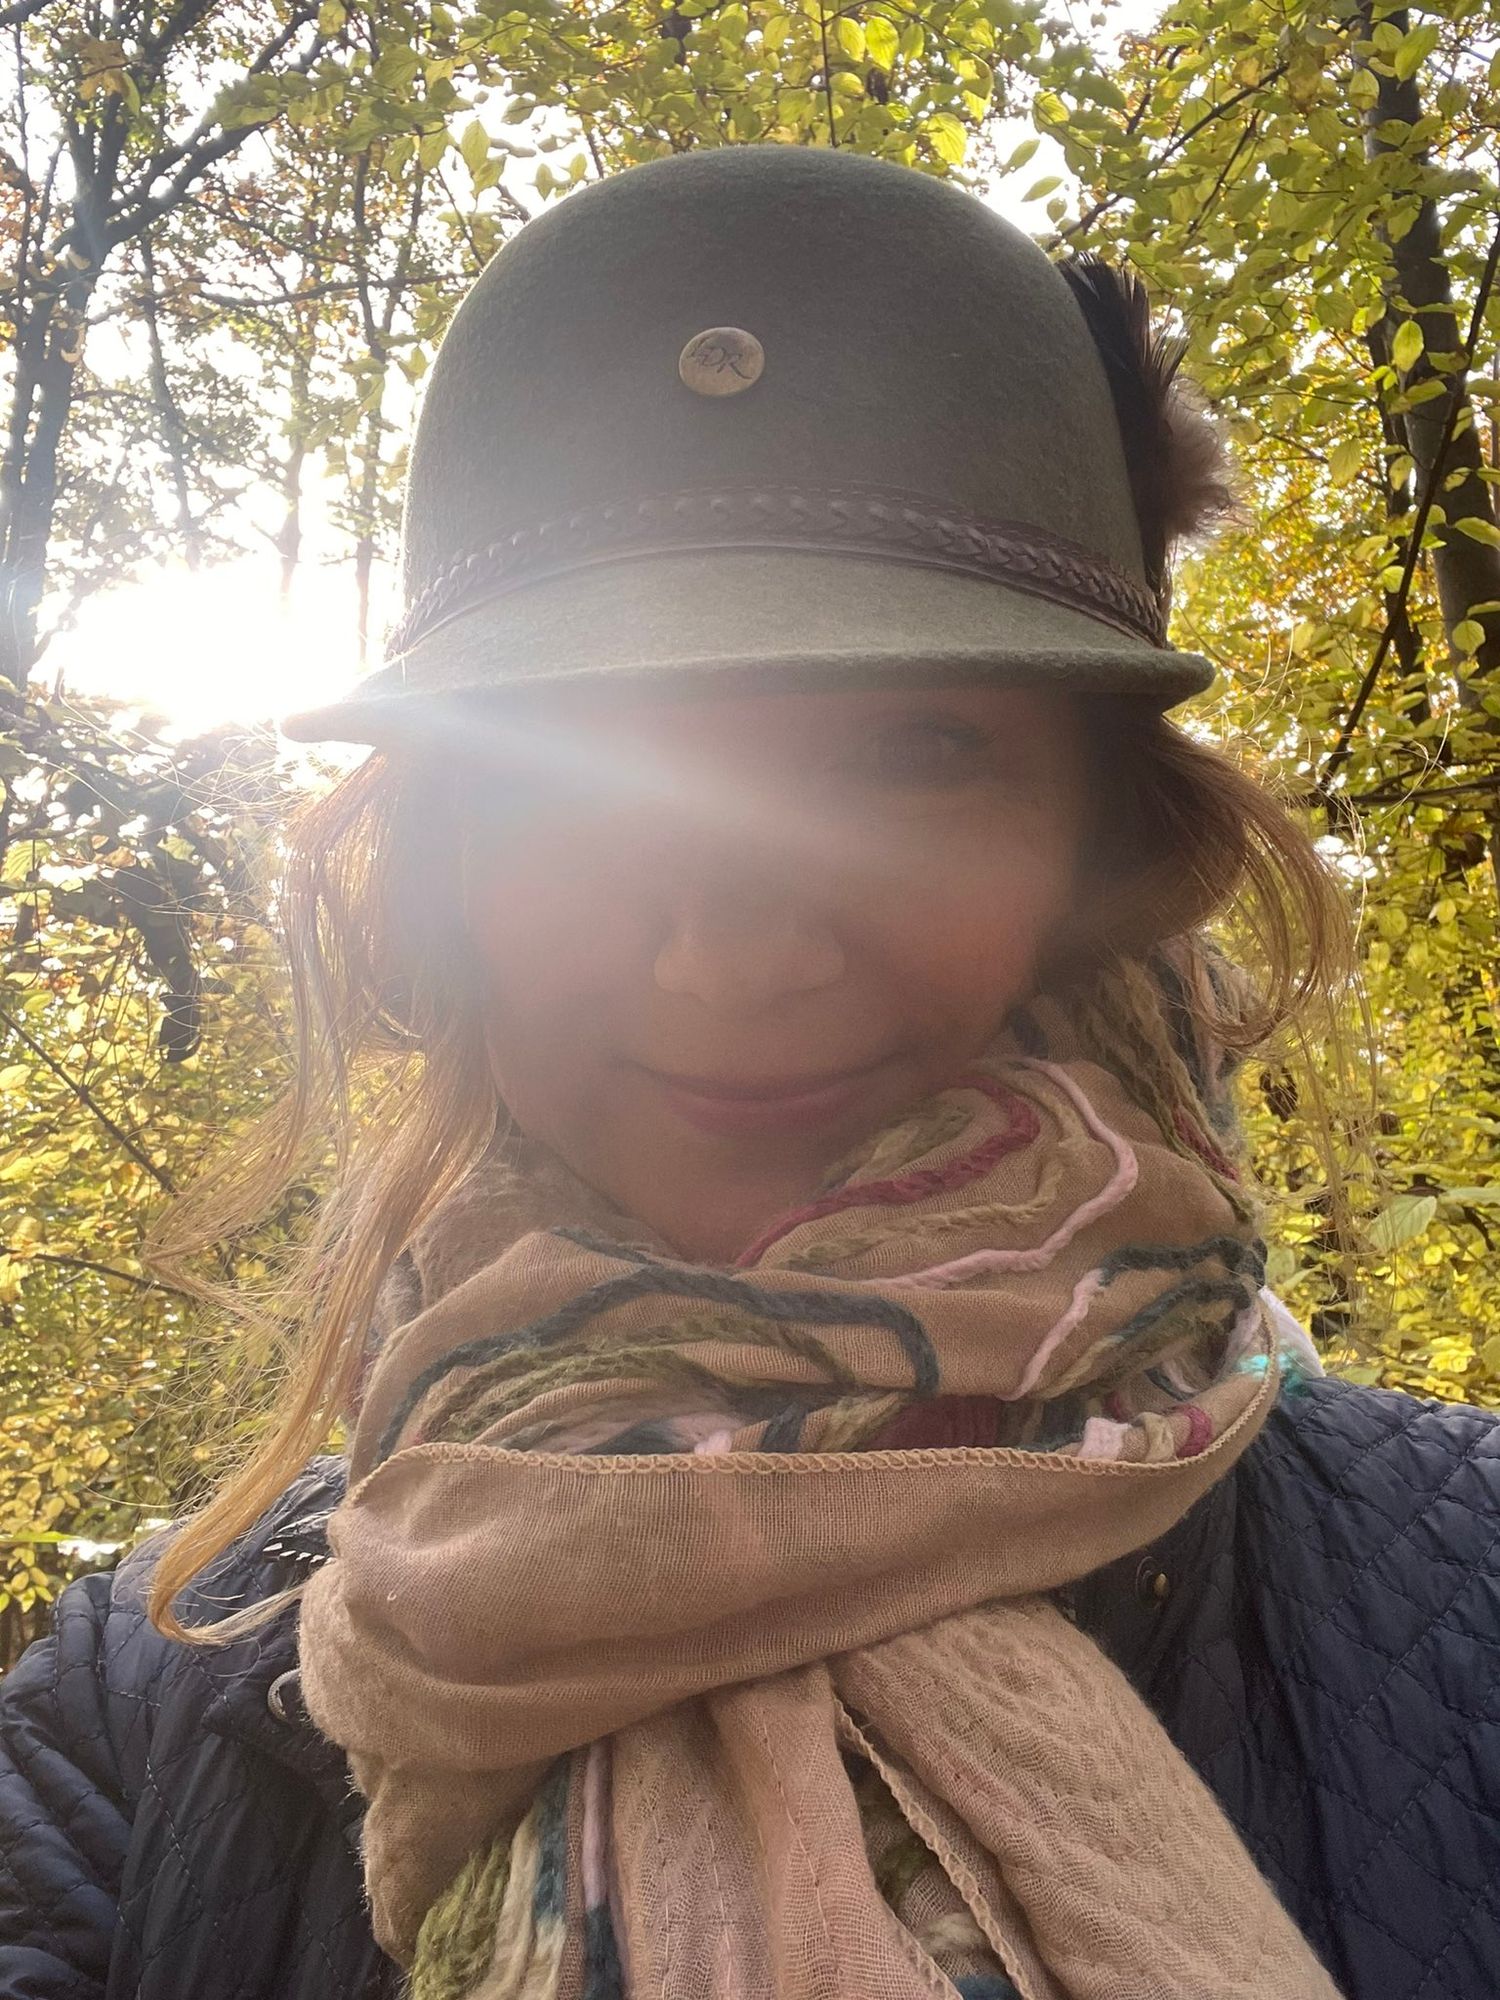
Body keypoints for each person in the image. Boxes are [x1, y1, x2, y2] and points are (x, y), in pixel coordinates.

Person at [2, 144, 1497, 2000]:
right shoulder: (128, 1726)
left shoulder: (1471, 1598)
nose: (729, 955)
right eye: (569, 777)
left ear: (1094, 847)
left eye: (909, 755)